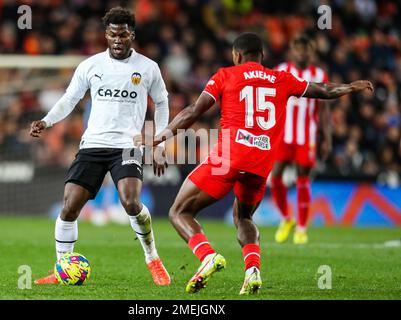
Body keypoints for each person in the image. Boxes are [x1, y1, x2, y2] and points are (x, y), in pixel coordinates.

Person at [135, 32, 373, 295]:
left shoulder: (226, 74)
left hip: (229, 157)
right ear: (262, 56)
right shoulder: (281, 79)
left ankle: (207, 256)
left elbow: (193, 111)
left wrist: (160, 138)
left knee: (179, 211)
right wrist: (350, 86)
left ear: (237, 55)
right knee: (244, 216)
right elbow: (322, 90)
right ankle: (252, 270)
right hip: (261, 163)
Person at [30, 7, 171, 286]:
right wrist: (46, 121)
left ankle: (152, 258)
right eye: (112, 34)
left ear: (132, 35)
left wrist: (159, 141)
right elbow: (69, 99)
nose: (118, 40)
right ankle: (62, 268)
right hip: (93, 144)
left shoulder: (147, 67)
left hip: (128, 145)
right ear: (106, 35)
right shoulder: (91, 65)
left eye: (123, 34)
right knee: (69, 207)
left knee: (131, 202)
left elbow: (163, 103)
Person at [271, 35, 332, 245]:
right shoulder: (280, 70)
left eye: (305, 49)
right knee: (275, 177)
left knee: (302, 179)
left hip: (307, 135)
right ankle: (287, 218)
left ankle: (302, 228)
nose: (301, 53)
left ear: (311, 52)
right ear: (292, 50)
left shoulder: (319, 74)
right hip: (282, 134)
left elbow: (324, 109)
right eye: (298, 49)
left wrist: (327, 138)